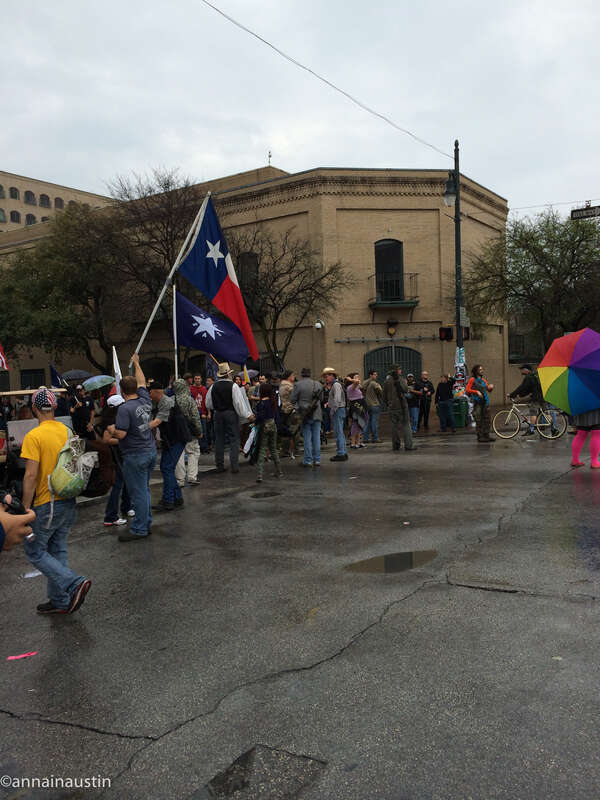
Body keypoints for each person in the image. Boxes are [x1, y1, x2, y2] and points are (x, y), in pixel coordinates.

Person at [21, 387, 92, 613]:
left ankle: (73, 583)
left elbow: (31, 475)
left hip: (46, 502)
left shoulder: (34, 436)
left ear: (34, 409)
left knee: (34, 551)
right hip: (67, 499)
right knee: (57, 549)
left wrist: (24, 508)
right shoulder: (67, 430)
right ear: (53, 407)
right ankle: (59, 600)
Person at [108, 354, 157, 541]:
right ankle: (146, 522)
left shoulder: (124, 409)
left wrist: (111, 430)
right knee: (144, 490)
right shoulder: (145, 399)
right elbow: (143, 381)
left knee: (138, 493)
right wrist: (137, 362)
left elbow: (121, 434)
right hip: (149, 451)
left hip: (135, 455)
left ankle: (140, 528)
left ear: (122, 390)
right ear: (135, 388)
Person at [205, 362, 254, 473]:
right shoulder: (233, 386)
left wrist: (217, 407)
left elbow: (208, 403)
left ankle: (220, 465)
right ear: (228, 374)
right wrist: (247, 414)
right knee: (234, 439)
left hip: (218, 414)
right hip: (230, 413)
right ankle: (234, 466)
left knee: (219, 440)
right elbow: (238, 404)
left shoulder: (213, 386)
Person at [148, 381, 185, 512]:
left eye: (150, 392)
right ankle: (177, 498)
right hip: (172, 439)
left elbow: (157, 421)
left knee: (167, 468)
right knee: (166, 467)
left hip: (176, 439)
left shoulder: (166, 403)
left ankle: (168, 500)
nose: (149, 394)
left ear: (156, 392)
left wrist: (139, 429)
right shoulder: (159, 402)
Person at [99, 394, 131, 527]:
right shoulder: (111, 420)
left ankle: (126, 508)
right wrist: (122, 440)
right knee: (118, 485)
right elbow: (106, 439)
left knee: (124, 482)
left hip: (119, 456)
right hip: (115, 457)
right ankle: (110, 516)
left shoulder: (114, 417)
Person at [291, 368, 323, 467]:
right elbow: (321, 399)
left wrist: (298, 407)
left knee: (307, 438)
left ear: (302, 374)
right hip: (317, 413)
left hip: (304, 414)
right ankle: (317, 460)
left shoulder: (298, 385)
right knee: (317, 437)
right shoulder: (318, 384)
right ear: (310, 374)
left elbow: (292, 400)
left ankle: (308, 460)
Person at [175, 375, 204, 486]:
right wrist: (199, 431)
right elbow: (195, 417)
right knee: (193, 452)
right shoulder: (189, 400)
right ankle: (192, 476)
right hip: (189, 431)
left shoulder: (172, 400)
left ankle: (180, 480)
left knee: (179, 454)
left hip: (176, 431)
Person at [383, 365, 416, 452]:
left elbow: (384, 396)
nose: (401, 370)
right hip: (402, 406)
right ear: (397, 371)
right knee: (406, 425)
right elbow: (405, 390)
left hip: (392, 406)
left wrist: (388, 403)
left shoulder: (386, 382)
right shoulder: (401, 380)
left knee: (394, 426)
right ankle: (408, 445)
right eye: (400, 369)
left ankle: (395, 445)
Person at [254, 383, 283, 482]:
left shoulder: (261, 404)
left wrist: (255, 423)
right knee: (273, 448)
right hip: (273, 425)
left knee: (262, 449)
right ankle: (279, 471)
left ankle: (259, 474)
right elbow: (277, 416)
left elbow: (260, 417)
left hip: (264, 426)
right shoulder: (272, 402)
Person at [509, 364, 544, 437]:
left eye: (522, 369)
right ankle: (554, 429)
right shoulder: (535, 375)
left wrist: (512, 394)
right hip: (542, 396)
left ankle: (531, 429)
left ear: (526, 370)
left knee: (533, 412)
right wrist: (521, 395)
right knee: (545, 412)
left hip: (536, 398)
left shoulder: (528, 377)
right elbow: (528, 389)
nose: (521, 371)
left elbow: (522, 387)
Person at [323, 367, 348, 461]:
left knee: (338, 433)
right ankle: (343, 452)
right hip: (339, 409)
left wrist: (332, 411)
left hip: (338, 410)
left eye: (328, 376)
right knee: (340, 432)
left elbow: (337, 400)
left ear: (333, 376)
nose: (326, 378)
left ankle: (341, 453)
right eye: (325, 376)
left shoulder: (336, 385)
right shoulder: (336, 385)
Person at [466, 364, 495, 443]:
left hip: (485, 402)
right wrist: (476, 392)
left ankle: (487, 435)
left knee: (487, 419)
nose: (482, 371)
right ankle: (480, 436)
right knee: (479, 419)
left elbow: (488, 390)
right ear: (476, 371)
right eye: (480, 370)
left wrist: (490, 388)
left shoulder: (483, 380)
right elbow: (467, 389)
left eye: (482, 369)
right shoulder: (472, 380)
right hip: (478, 402)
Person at [346, 373, 368, 449]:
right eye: (356, 377)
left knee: (359, 424)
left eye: (358, 377)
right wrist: (350, 379)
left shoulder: (357, 387)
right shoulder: (351, 387)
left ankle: (358, 442)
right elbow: (356, 382)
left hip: (360, 406)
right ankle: (352, 443)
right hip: (356, 407)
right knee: (355, 424)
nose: (358, 378)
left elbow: (359, 384)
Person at [278, 369, 297, 458]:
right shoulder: (288, 386)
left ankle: (285, 450)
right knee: (292, 431)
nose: (294, 377)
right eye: (293, 375)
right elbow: (296, 396)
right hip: (290, 410)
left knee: (286, 430)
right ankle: (291, 451)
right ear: (289, 376)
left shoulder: (282, 384)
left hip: (284, 409)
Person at [361, 370, 383, 443]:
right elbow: (380, 392)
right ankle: (375, 438)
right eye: (375, 374)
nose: (376, 376)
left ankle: (365, 438)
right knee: (374, 422)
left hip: (367, 404)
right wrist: (380, 388)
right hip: (374, 404)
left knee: (367, 422)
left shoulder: (364, 383)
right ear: (370, 375)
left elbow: (362, 388)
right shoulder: (374, 383)